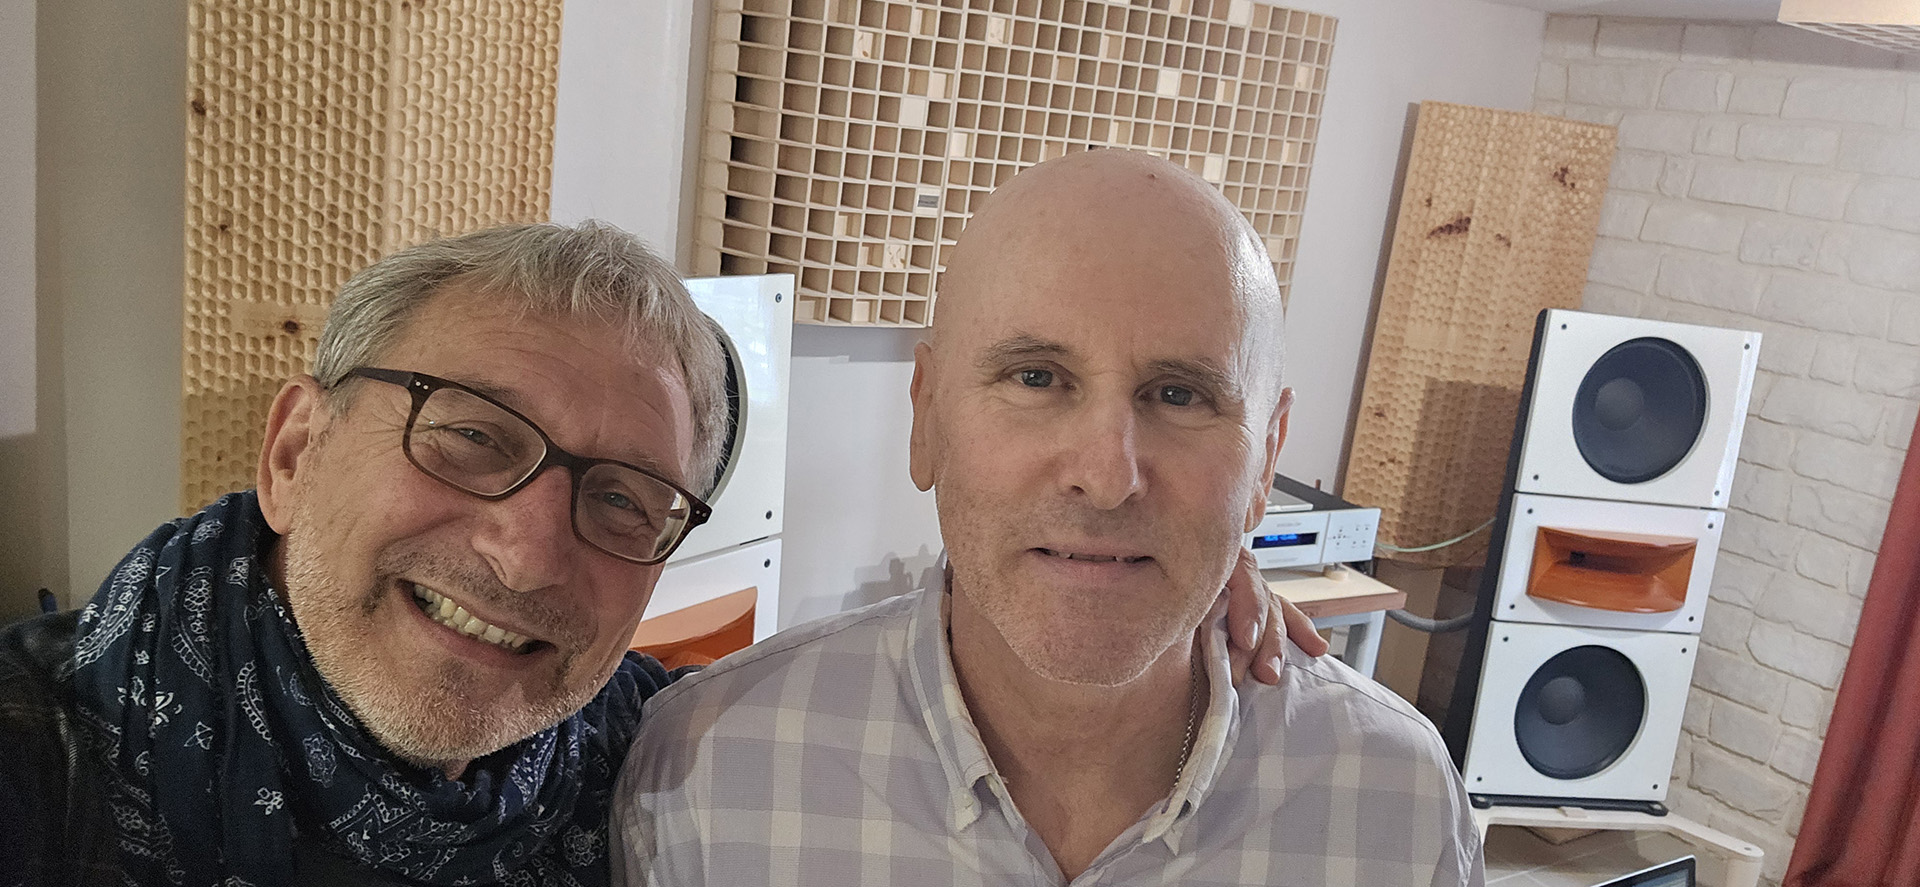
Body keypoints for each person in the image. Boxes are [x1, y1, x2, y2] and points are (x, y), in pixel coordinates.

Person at [0, 220, 1309, 885]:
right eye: (469, 436)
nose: (526, 549)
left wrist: (1155, 574)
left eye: (624, 500)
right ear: (294, 451)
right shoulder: (42, 764)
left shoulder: (649, 758)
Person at [614, 150, 1484, 886]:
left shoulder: (1400, 806)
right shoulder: (702, 773)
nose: (1106, 478)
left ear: (1266, 459)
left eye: (1180, 395)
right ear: (926, 420)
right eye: (1035, 378)